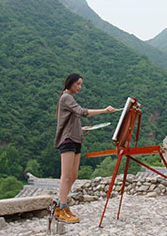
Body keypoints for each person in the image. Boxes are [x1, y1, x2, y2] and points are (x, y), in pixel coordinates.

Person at [54, 73, 117, 223]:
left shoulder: (70, 98)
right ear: (70, 83)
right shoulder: (66, 97)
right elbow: (82, 112)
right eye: (77, 84)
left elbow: (71, 120)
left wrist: (81, 128)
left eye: (81, 84)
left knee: (73, 175)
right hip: (68, 140)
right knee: (66, 176)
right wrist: (104, 110)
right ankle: (62, 208)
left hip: (75, 138)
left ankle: (59, 206)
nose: (79, 87)